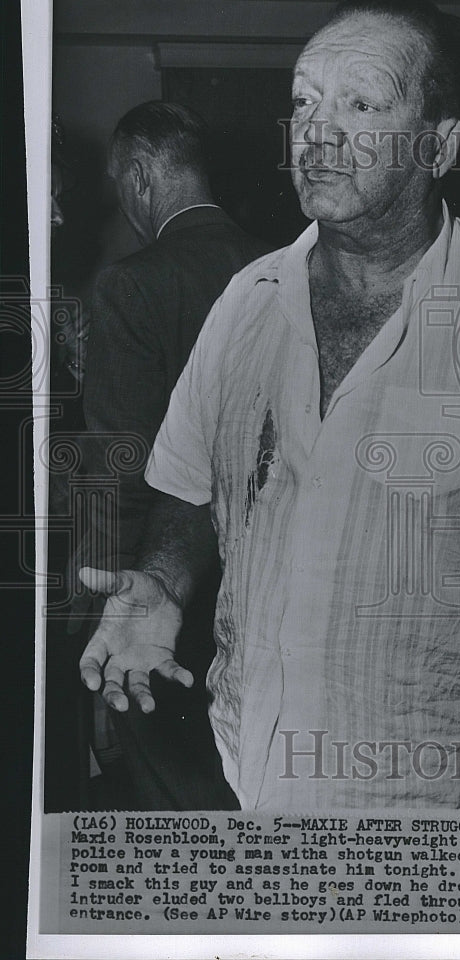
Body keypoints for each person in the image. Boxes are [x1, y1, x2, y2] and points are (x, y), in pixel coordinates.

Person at [79, 0, 460, 811]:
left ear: (439, 144)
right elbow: (192, 490)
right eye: (305, 100)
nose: (318, 131)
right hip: (248, 768)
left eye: (363, 104)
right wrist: (164, 582)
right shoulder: (247, 300)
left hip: (445, 807)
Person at [73, 100, 269, 809]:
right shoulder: (285, 267)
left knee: (168, 790)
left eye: (118, 183)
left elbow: (118, 462)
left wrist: (94, 604)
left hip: (158, 584)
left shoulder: (131, 281)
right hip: (263, 583)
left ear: (140, 175)